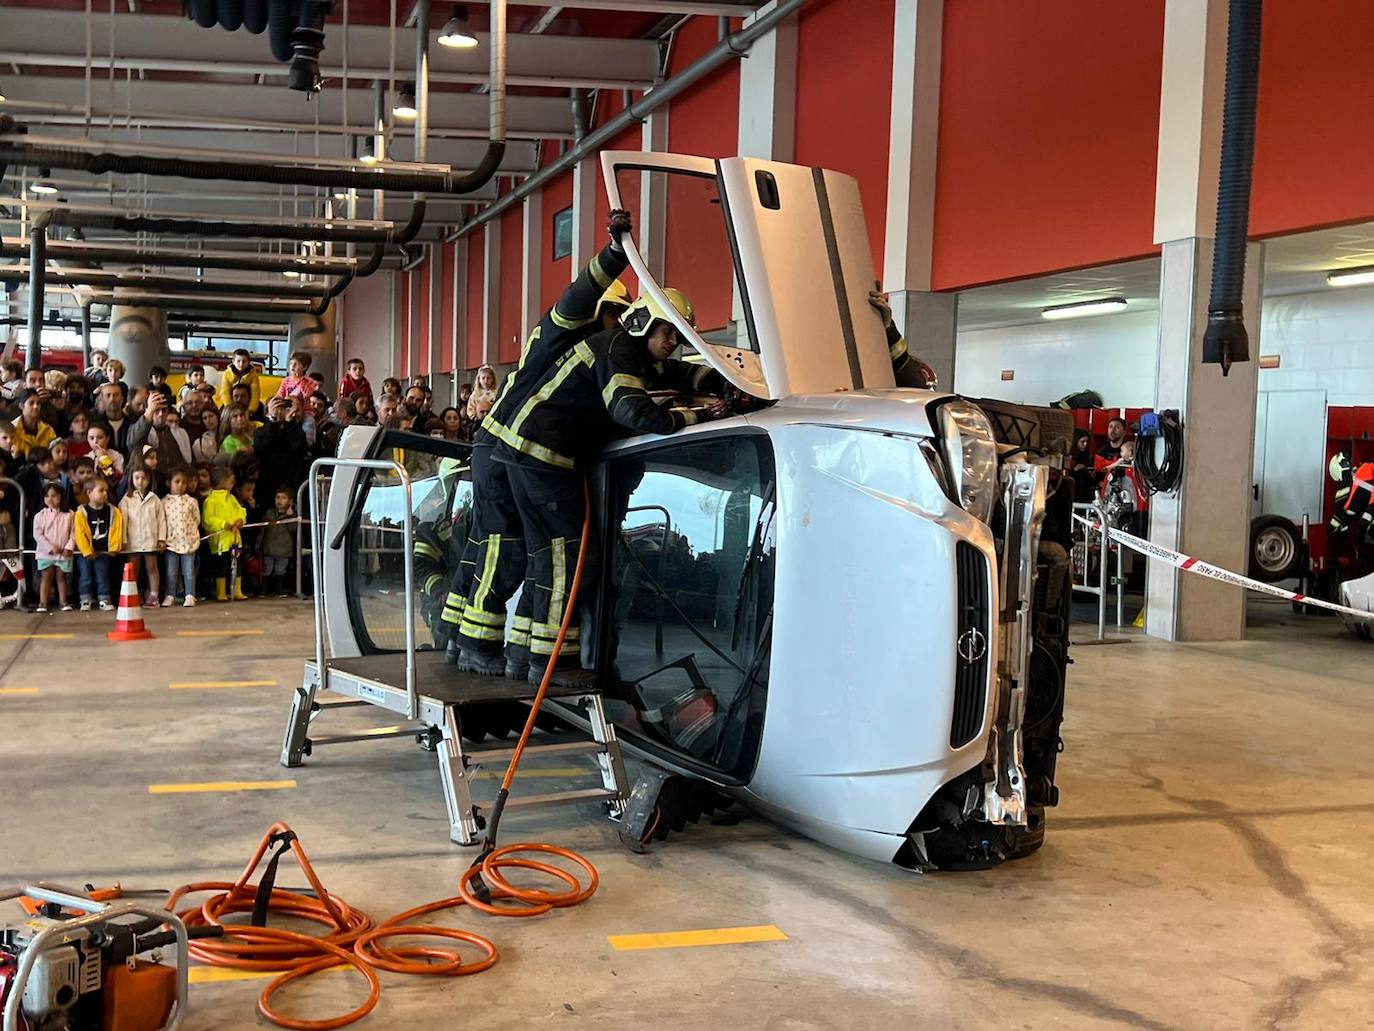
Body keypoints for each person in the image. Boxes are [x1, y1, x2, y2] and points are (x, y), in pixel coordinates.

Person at [459, 289, 725, 684]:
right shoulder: (620, 351)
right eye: (667, 331)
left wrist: (725, 382)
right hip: (541, 459)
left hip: (528, 456)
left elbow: (681, 373)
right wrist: (696, 415)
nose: (672, 342)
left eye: (678, 334)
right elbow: (630, 411)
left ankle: (521, 658)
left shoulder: (630, 352)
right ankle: (553, 664)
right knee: (570, 561)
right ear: (641, 323)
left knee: (546, 562)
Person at [441, 209, 636, 666]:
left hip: (499, 447)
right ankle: (478, 646)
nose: (621, 329)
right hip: (508, 448)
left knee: (499, 549)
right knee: (507, 550)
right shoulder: (568, 329)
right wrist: (614, 255)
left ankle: (463, 636)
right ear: (603, 312)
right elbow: (581, 290)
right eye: (618, 316)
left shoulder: (570, 346)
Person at [119, 466, 166, 607]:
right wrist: (123, 540)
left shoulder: (155, 499)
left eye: (144, 478)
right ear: (131, 479)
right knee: (134, 569)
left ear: (149, 479)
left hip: (150, 540)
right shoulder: (127, 499)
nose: (140, 481)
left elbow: (161, 520)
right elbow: (123, 521)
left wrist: (161, 538)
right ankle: (134, 594)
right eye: (137, 478)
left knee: (152, 568)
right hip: (133, 542)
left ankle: (154, 595)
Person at [74, 477, 122, 611]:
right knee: (85, 576)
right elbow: (79, 533)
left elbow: (117, 530)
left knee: (102, 575)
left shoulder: (113, 512)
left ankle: (104, 598)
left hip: (104, 551)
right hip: (86, 553)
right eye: (101, 490)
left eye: (106, 491)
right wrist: (86, 551)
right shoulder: (81, 513)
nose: (105, 494)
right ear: (89, 493)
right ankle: (85, 598)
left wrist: (114, 547)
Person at [202, 465, 246, 603]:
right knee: (221, 568)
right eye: (230, 481)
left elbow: (241, 510)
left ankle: (237, 590)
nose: (232, 484)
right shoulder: (210, 501)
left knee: (237, 565)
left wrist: (240, 520)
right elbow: (208, 520)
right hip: (220, 543)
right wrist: (223, 524)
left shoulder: (232, 498)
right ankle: (221, 592)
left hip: (235, 540)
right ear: (221, 481)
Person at [254, 396, 308, 496]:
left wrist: (289, 422)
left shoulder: (296, 429)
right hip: (268, 484)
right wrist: (273, 420)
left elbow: (300, 448)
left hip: (292, 485)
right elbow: (263, 446)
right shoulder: (262, 430)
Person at [32, 483, 74, 613]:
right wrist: (50, 547)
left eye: (54, 495)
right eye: (47, 496)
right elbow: (37, 534)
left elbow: (74, 533)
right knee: (46, 576)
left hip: (64, 553)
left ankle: (63, 601)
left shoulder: (69, 515)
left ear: (61, 496)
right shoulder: (39, 516)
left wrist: (69, 547)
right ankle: (43, 602)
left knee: (61, 577)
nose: (50, 499)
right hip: (46, 553)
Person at [162, 469, 200, 607]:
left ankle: (190, 594)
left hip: (188, 541)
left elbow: (196, 519)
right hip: (171, 542)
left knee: (189, 570)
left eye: (184, 482)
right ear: (169, 483)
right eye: (177, 482)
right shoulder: (164, 502)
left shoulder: (191, 501)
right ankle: (170, 594)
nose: (181, 485)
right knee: (171, 571)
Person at [259, 486, 296, 598]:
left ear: (290, 501)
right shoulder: (269, 513)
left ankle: (279, 589)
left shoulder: (292, 516)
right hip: (269, 547)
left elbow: (293, 529)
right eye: (278, 497)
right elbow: (262, 529)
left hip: (283, 549)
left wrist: (291, 516)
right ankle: (264, 590)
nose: (279, 500)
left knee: (280, 569)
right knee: (267, 569)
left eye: (283, 498)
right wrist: (258, 542)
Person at [11, 392, 56, 459]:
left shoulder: (48, 429)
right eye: (31, 403)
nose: (36, 407)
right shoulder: (12, 429)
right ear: (21, 406)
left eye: (38, 403)